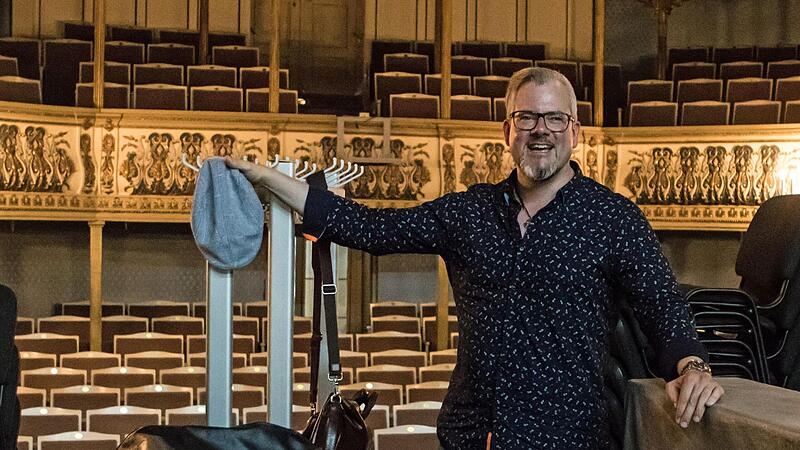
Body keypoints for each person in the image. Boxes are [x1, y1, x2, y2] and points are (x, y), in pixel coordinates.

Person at [226, 67, 724, 449]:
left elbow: (663, 306)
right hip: (471, 433)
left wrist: (692, 363)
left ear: (575, 133)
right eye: (526, 117)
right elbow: (372, 228)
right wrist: (269, 179)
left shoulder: (614, 218)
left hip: (569, 437)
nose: (540, 131)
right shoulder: (468, 212)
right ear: (507, 131)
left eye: (554, 118)